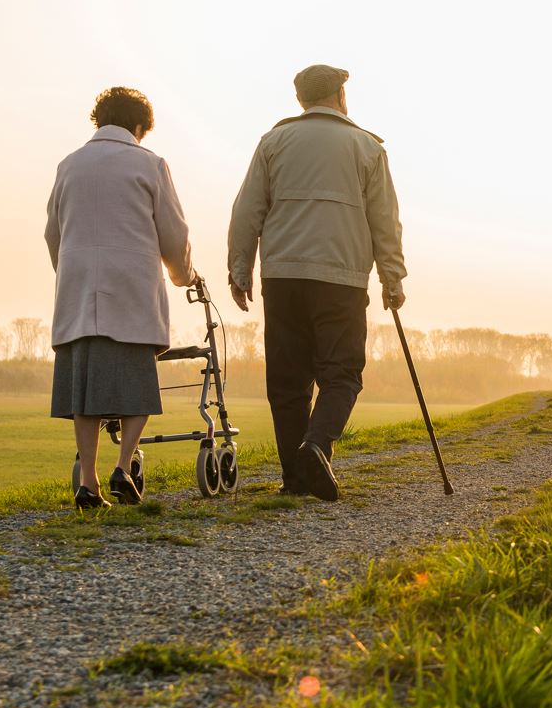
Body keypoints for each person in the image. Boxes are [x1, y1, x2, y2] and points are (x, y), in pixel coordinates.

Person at [227, 64, 407, 500]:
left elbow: (246, 210)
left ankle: (295, 477)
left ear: (301, 100)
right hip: (341, 277)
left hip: (283, 277)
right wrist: (392, 277)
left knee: (287, 381)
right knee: (342, 373)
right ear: (341, 96)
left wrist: (239, 269)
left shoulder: (273, 142)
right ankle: (316, 446)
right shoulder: (367, 147)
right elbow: (385, 222)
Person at [46, 87, 195, 509]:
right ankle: (124, 467)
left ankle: (88, 481)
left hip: (79, 293)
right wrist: (183, 275)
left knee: (85, 390)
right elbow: (174, 232)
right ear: (138, 126)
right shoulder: (150, 165)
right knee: (138, 385)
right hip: (131, 289)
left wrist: (71, 272)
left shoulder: (68, 165)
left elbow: (52, 233)